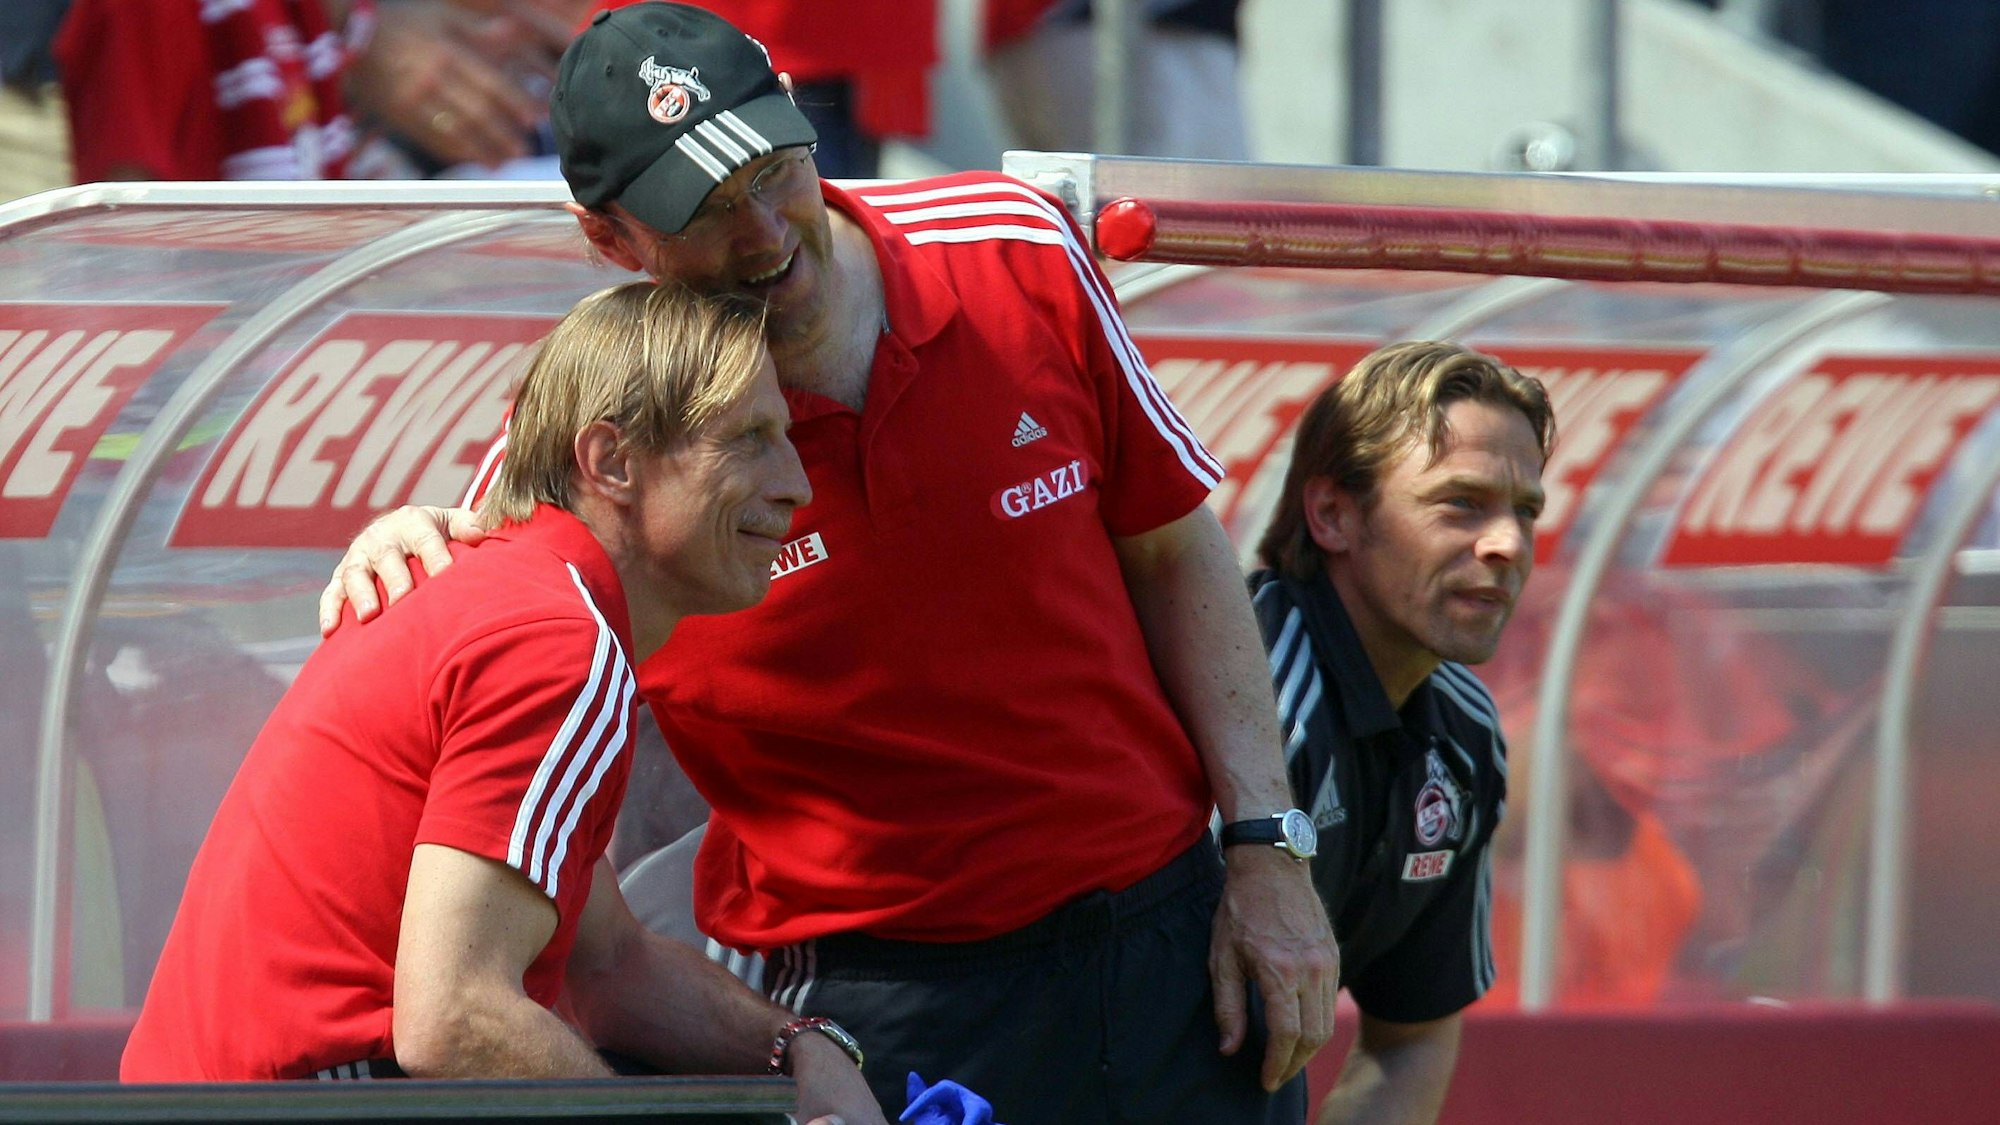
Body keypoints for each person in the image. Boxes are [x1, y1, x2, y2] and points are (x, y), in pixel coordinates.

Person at [321, 5, 1338, 1122]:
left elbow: (1175, 544)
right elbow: (462, 640)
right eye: (705, 209)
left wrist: (1267, 848)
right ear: (610, 241)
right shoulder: (598, 442)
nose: (763, 234)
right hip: (880, 1007)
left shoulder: (1015, 248)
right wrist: (395, 549)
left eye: (773, 170)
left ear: (801, 119)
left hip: (1174, 948)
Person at [122, 282, 881, 1125]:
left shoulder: (506, 592)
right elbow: (455, 1016)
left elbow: (609, 963)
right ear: (612, 461)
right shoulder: (557, 641)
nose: (795, 485)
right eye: (748, 439)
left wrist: (801, 1045)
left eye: (787, 438)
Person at [1248, 341, 1554, 1125]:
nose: (1508, 544)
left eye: (1525, 510)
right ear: (1333, 515)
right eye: (1461, 502)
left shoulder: (1464, 731)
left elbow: (1411, 1036)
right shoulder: (1249, 701)